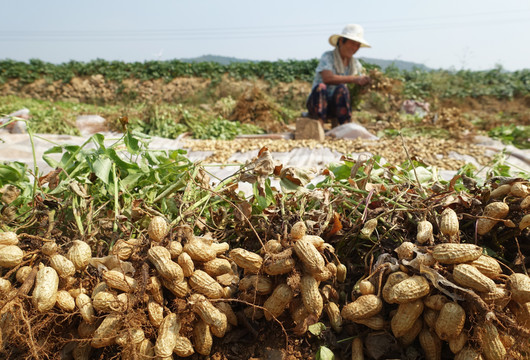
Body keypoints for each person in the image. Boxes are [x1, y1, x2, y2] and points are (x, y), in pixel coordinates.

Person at [306, 24, 372, 127]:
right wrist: (354, 79)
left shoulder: (355, 64)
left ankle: (345, 125)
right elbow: (327, 78)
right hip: (318, 104)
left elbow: (359, 81)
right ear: (341, 41)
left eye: (357, 45)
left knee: (342, 89)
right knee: (321, 87)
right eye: (352, 43)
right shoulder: (328, 57)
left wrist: (366, 82)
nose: (355, 48)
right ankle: (319, 125)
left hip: (336, 106)